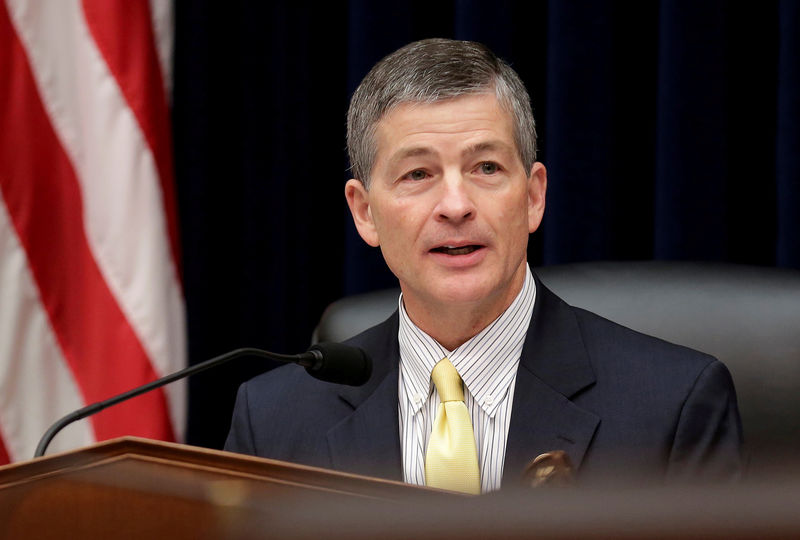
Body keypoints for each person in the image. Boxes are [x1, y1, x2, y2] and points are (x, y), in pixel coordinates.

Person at [225, 38, 742, 493]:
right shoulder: (273, 420)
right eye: (418, 173)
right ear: (365, 212)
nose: (455, 205)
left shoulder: (674, 406)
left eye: (486, 167)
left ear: (534, 196)